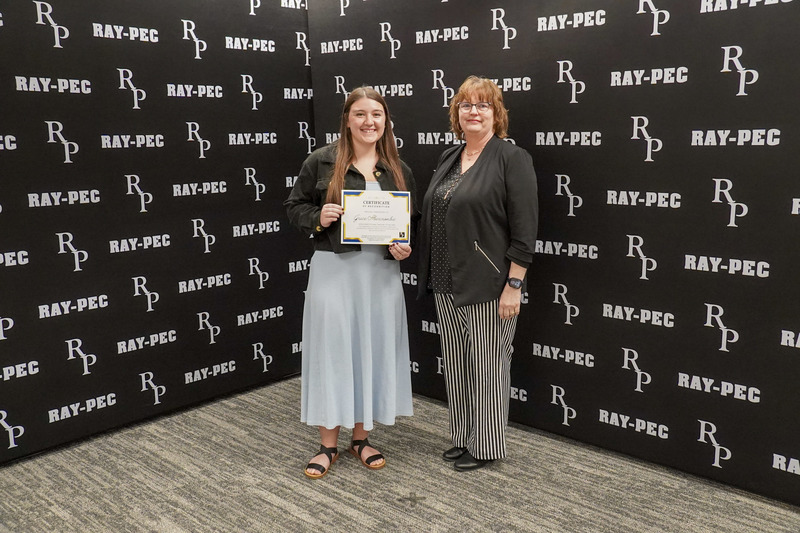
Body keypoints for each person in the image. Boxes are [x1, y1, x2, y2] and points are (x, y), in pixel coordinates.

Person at [285, 87, 417, 479]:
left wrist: (404, 246)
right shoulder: (321, 161)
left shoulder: (398, 169)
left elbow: (412, 222)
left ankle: (361, 438)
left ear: (385, 120)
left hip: (380, 274)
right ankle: (328, 445)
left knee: (370, 349)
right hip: (334, 270)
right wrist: (318, 216)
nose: (369, 122)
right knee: (334, 350)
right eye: (360, 114)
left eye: (376, 114)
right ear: (347, 119)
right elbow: (295, 207)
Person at [417, 76, 538, 471]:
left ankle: (486, 445)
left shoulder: (510, 157)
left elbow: (525, 228)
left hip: (489, 283)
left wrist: (514, 285)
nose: (474, 111)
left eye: (483, 105)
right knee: (456, 362)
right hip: (445, 280)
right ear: (457, 113)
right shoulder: (449, 156)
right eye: (466, 105)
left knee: (488, 364)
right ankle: (464, 436)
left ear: (496, 114)